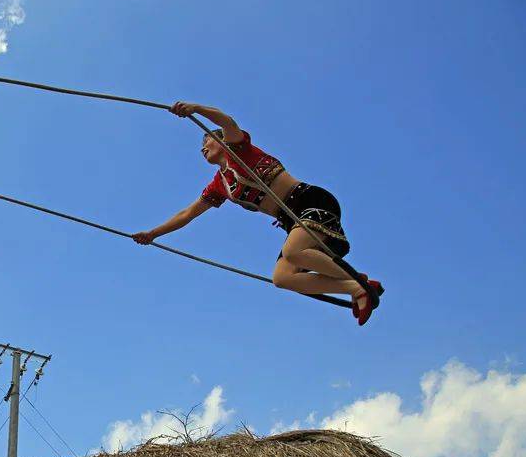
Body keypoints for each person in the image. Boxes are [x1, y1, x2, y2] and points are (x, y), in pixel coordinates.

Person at [132, 102, 383, 325]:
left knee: (292, 253)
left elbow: (226, 120)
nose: (202, 149)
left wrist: (195, 109)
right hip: (291, 220)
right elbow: (187, 214)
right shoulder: (219, 185)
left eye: (205, 141)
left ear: (217, 138)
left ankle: (357, 284)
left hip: (308, 201)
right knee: (282, 278)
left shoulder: (238, 149)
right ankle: (354, 286)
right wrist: (152, 234)